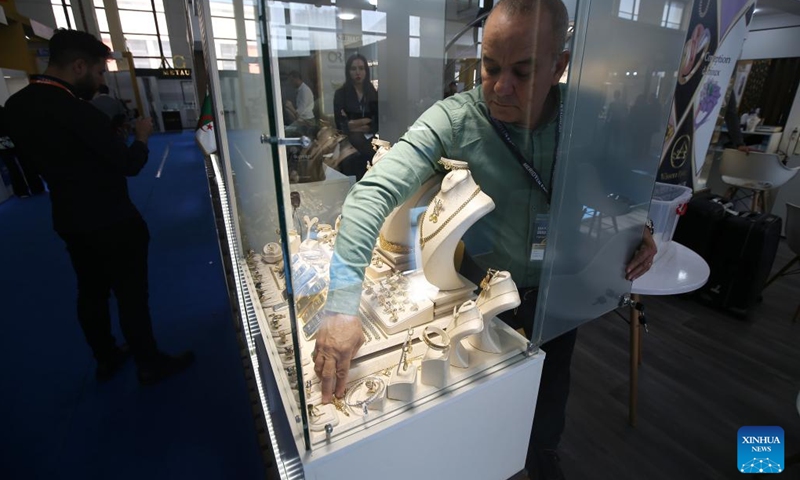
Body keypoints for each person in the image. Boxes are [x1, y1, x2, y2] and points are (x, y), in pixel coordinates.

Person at [312, 1, 657, 479]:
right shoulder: (455, 119)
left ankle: (543, 455)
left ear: (559, 66)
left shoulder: (588, 115)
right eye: (490, 67)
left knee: (551, 392)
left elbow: (621, 179)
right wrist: (342, 304)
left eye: (523, 71)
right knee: (475, 423)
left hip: (559, 290)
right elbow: (372, 192)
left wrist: (643, 225)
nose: (500, 87)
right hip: (479, 298)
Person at [4, 29, 194, 386]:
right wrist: (141, 136)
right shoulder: (79, 113)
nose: (101, 78)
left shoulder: (17, 107)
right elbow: (129, 164)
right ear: (79, 65)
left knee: (90, 291)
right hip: (112, 219)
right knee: (131, 295)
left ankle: (105, 356)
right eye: (100, 72)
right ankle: (148, 362)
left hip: (70, 218)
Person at [333, 53, 379, 180]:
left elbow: (377, 122)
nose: (358, 72)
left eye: (361, 68)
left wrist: (354, 123)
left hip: (370, 142)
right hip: (350, 145)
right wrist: (365, 122)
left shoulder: (372, 93)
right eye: (353, 69)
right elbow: (341, 124)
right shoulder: (341, 94)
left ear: (366, 71)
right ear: (348, 71)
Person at [0, 105, 45, 198]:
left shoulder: (4, 110)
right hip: (14, 138)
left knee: (13, 168)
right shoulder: (5, 110)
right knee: (25, 164)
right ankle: (36, 188)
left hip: (2, 142)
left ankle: (21, 191)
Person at [284, 70, 315, 135]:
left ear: (297, 79)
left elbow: (300, 112)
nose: (291, 83)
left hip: (307, 121)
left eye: (292, 81)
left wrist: (290, 107)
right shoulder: (301, 90)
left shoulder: (304, 91)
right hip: (303, 120)